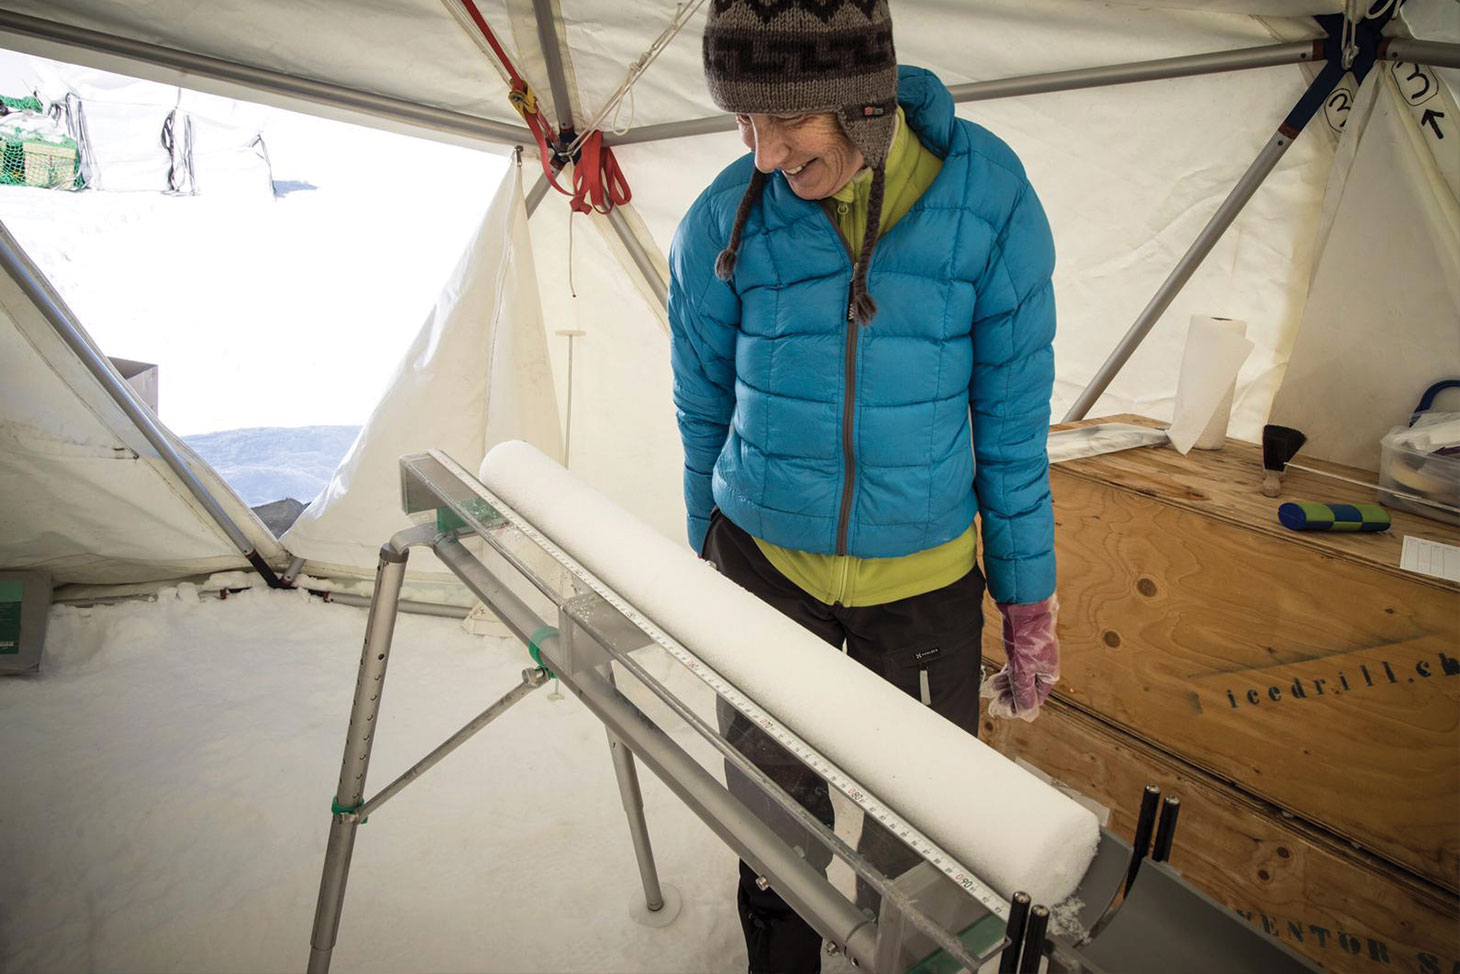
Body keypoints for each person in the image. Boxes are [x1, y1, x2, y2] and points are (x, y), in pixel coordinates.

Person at [668, 2, 1061, 970]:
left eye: (784, 122)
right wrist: (699, 559)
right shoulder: (724, 214)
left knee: (916, 840)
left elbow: (1011, 429)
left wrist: (1025, 599)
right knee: (769, 812)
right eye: (742, 122)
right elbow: (700, 406)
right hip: (760, 565)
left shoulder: (989, 198)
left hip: (920, 586)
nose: (761, 155)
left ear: (862, 104)